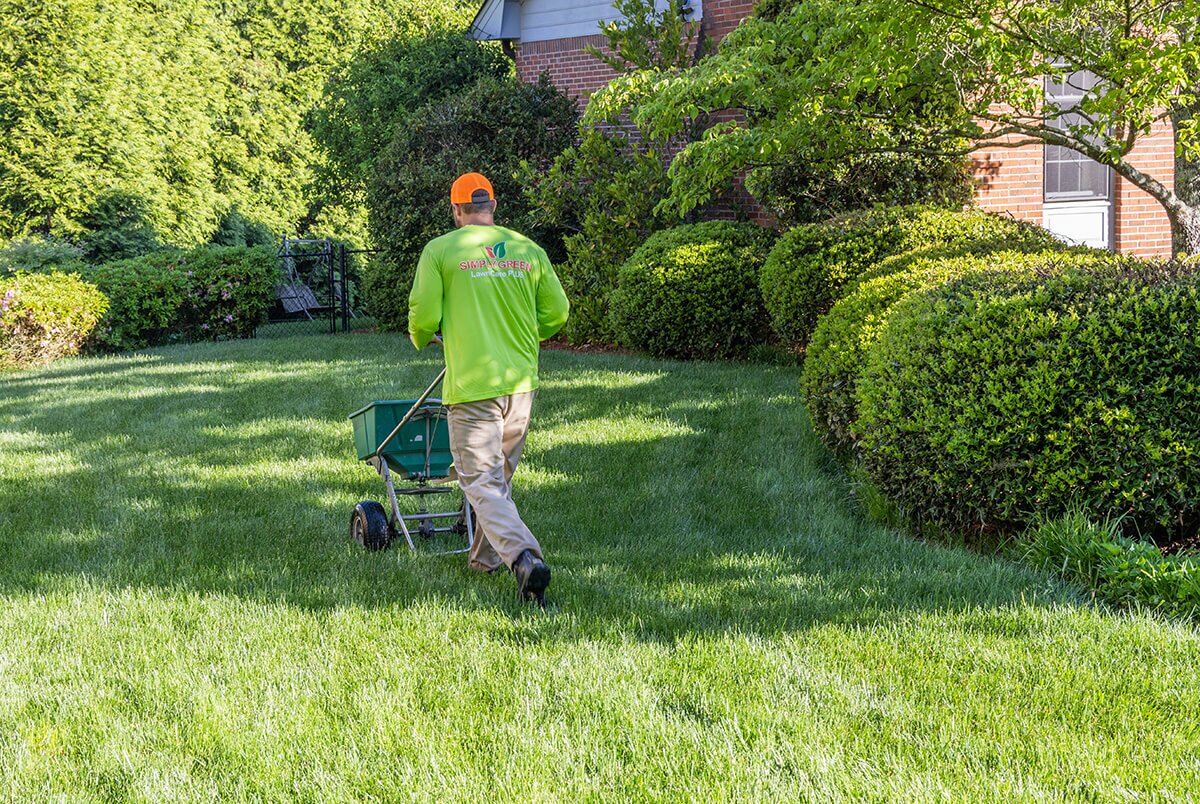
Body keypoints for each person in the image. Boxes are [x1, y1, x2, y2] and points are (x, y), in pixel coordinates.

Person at [407, 172, 569, 605]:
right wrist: (523, 337)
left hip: (474, 388)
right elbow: (557, 312)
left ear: (457, 209)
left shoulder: (441, 250)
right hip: (520, 385)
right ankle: (483, 561)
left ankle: (524, 558)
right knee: (498, 481)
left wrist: (420, 336)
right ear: (493, 207)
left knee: (479, 482)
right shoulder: (527, 250)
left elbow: (423, 316)